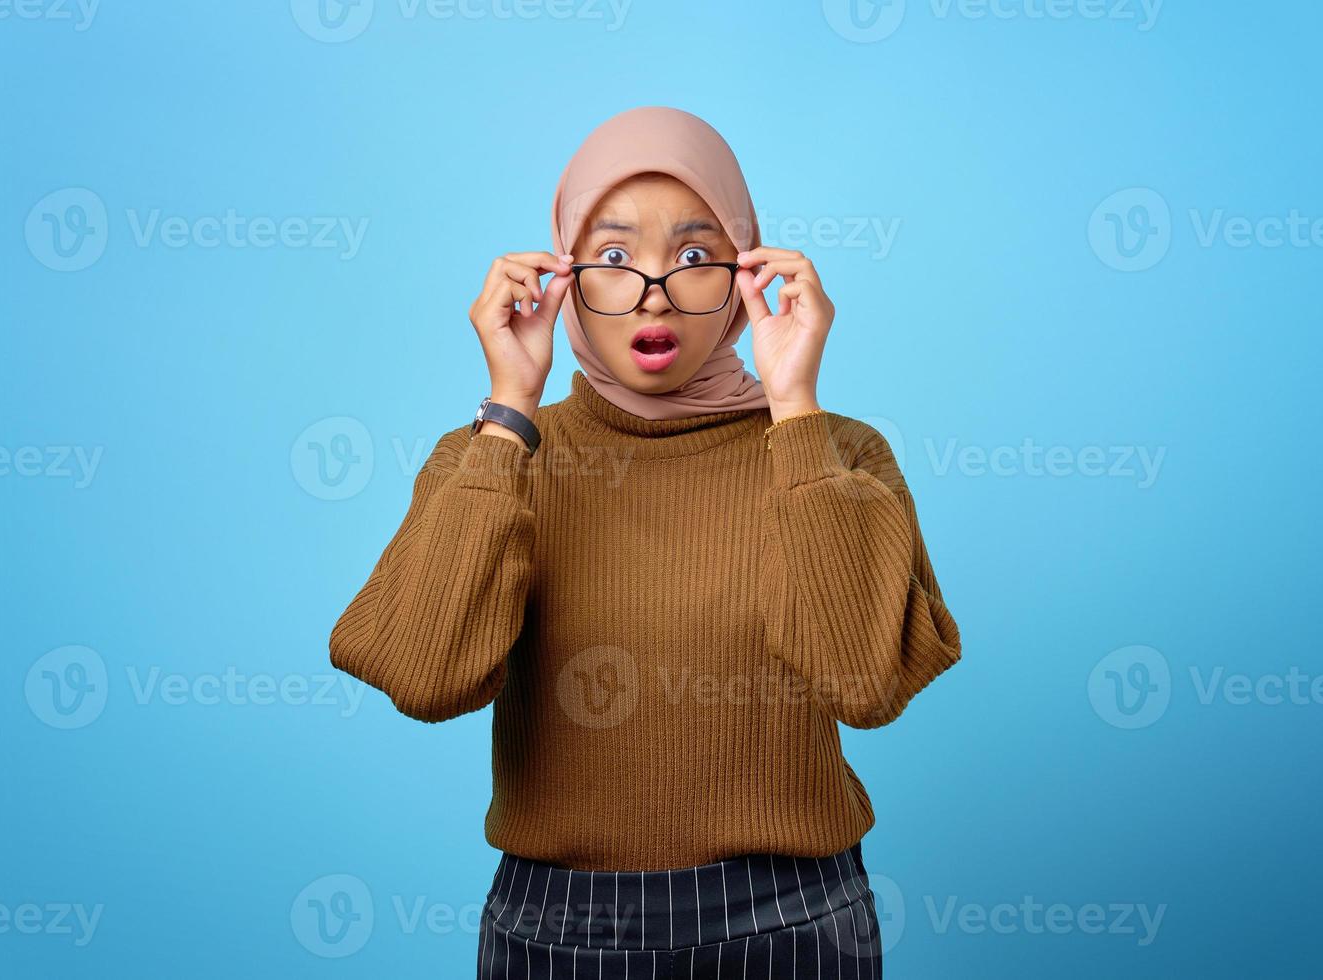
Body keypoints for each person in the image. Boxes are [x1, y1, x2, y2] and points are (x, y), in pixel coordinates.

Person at [328, 105, 962, 978]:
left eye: (696, 257)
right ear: (561, 271)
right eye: (616, 259)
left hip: (795, 922)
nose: (654, 293)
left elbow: (865, 681)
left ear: (750, 271)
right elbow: (425, 677)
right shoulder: (493, 459)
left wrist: (796, 411)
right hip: (561, 932)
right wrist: (510, 410)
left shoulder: (836, 451)